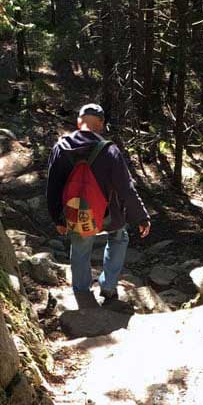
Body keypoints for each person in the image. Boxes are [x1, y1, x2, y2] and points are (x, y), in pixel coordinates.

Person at [46, 103, 151, 307]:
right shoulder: (109, 150)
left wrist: (57, 218)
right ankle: (108, 286)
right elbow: (126, 189)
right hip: (108, 215)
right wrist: (141, 217)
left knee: (80, 247)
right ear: (101, 124)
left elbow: (53, 187)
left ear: (79, 121)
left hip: (78, 213)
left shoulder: (61, 147)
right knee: (119, 238)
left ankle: (82, 291)